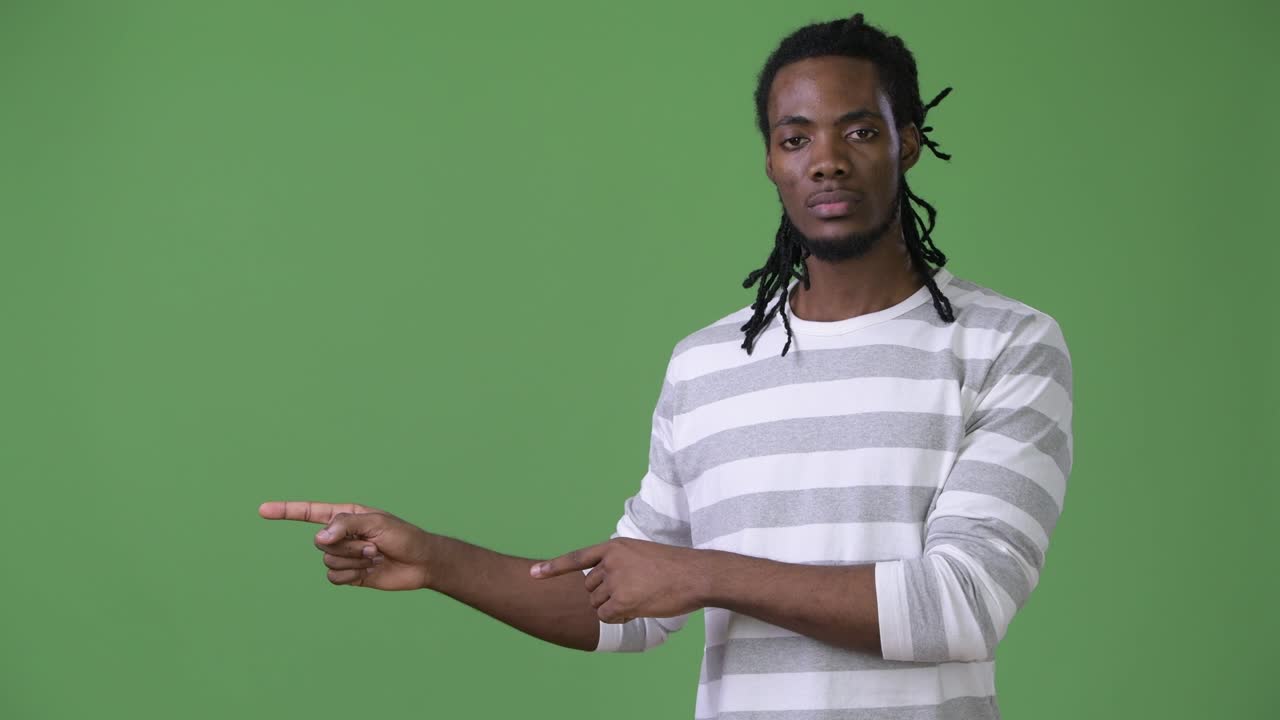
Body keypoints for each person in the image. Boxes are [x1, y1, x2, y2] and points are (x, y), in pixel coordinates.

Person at [260, 13, 1073, 719]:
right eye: (796, 138)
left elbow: (959, 606)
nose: (825, 160)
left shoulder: (1007, 344)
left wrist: (702, 573)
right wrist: (436, 559)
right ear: (771, 162)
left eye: (858, 131)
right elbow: (630, 604)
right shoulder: (708, 364)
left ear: (908, 143)